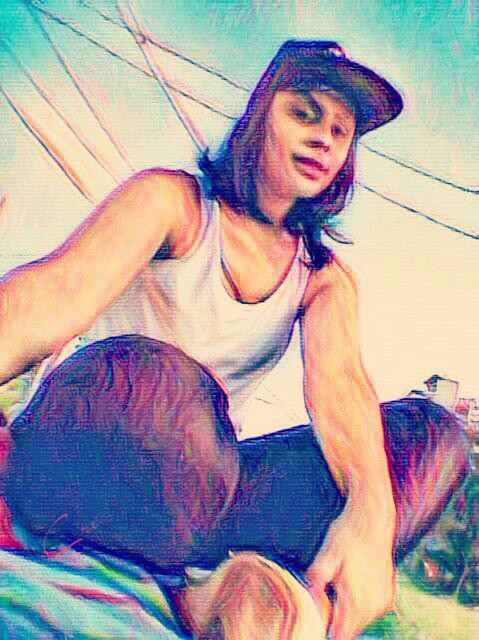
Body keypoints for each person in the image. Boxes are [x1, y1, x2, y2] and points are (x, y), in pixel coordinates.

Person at [0, 41, 468, 639]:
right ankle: (214, 587)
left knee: (433, 438)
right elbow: (53, 296)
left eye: (341, 131)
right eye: (304, 114)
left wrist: (370, 517)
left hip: (199, 497)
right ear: (260, 116)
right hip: (85, 453)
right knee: (166, 395)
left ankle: (236, 594)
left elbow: (341, 386)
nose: (324, 139)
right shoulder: (174, 203)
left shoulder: (322, 278)